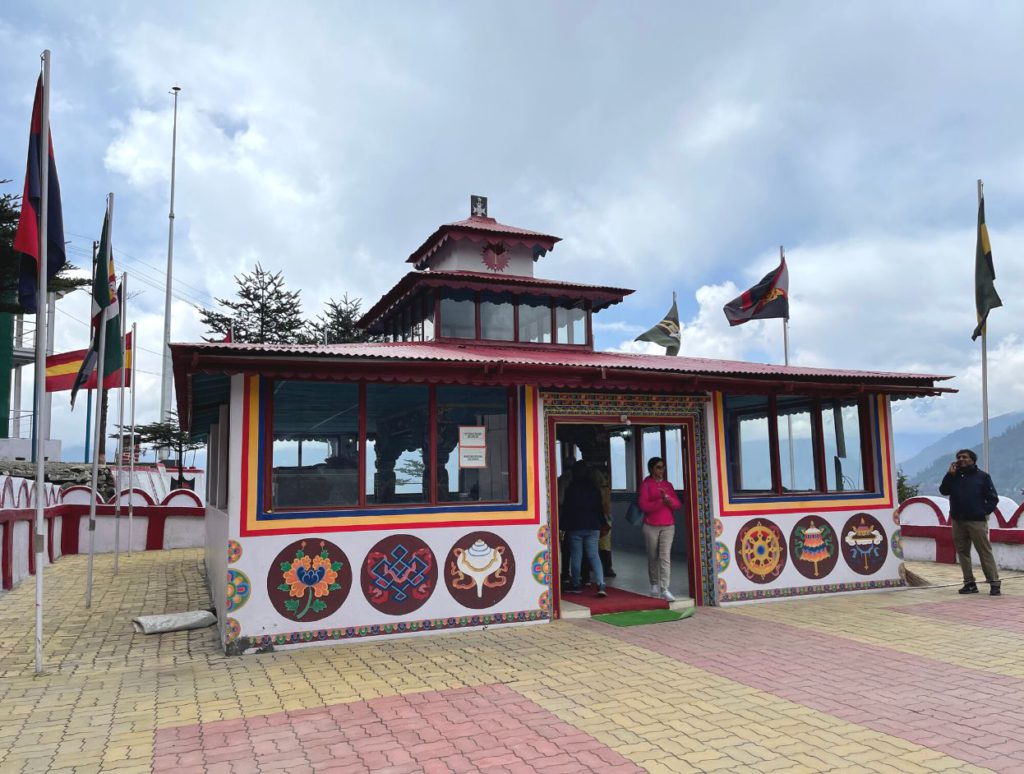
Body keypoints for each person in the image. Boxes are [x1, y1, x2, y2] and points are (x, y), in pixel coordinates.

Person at [939, 448, 1001, 596]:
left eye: (964, 457)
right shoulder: (953, 477)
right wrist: (949, 475)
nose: (961, 459)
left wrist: (983, 512)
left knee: (984, 551)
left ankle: (994, 583)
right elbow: (943, 490)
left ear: (972, 460)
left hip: (977, 521)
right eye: (959, 457)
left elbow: (993, 498)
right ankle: (969, 583)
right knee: (962, 552)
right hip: (958, 520)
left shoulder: (983, 477)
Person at [560, 460, 607, 597]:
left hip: (576, 526)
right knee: (594, 555)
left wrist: (562, 526)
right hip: (593, 526)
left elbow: (567, 509)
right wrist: (603, 523)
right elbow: (600, 508)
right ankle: (601, 584)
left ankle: (575, 584)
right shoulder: (594, 489)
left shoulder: (571, 489)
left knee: (576, 555)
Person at [639, 456, 681, 602]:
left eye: (663, 467)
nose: (661, 470)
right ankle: (654, 584)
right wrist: (660, 501)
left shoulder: (668, 485)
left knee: (665, 556)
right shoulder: (646, 485)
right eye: (658, 467)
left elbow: (677, 504)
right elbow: (644, 506)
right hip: (651, 525)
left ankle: (665, 588)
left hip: (668, 526)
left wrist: (669, 500)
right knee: (652, 556)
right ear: (651, 469)